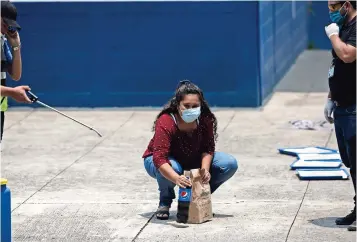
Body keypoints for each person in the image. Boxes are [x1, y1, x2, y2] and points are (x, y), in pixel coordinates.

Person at [142, 80, 238, 220]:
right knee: (173, 167)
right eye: (186, 106)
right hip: (162, 161)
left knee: (229, 163)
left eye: (195, 106)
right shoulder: (166, 120)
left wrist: (204, 171)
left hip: (192, 158)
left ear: (201, 105)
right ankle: (165, 202)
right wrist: (175, 178)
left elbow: (208, 148)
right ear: (178, 105)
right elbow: (159, 158)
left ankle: (195, 198)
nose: (191, 109)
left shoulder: (206, 119)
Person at [324, 0, 356, 231]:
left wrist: (334, 37)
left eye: (334, 6)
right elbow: (338, 65)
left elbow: (347, 55)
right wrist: (330, 96)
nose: (331, 11)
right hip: (342, 103)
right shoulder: (345, 25)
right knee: (351, 162)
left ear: (346, 4)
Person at [1, 0, 23, 141]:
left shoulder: (2, 41)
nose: (6, 28)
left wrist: (16, 46)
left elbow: (15, 75)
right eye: (4, 23)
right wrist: (12, 92)